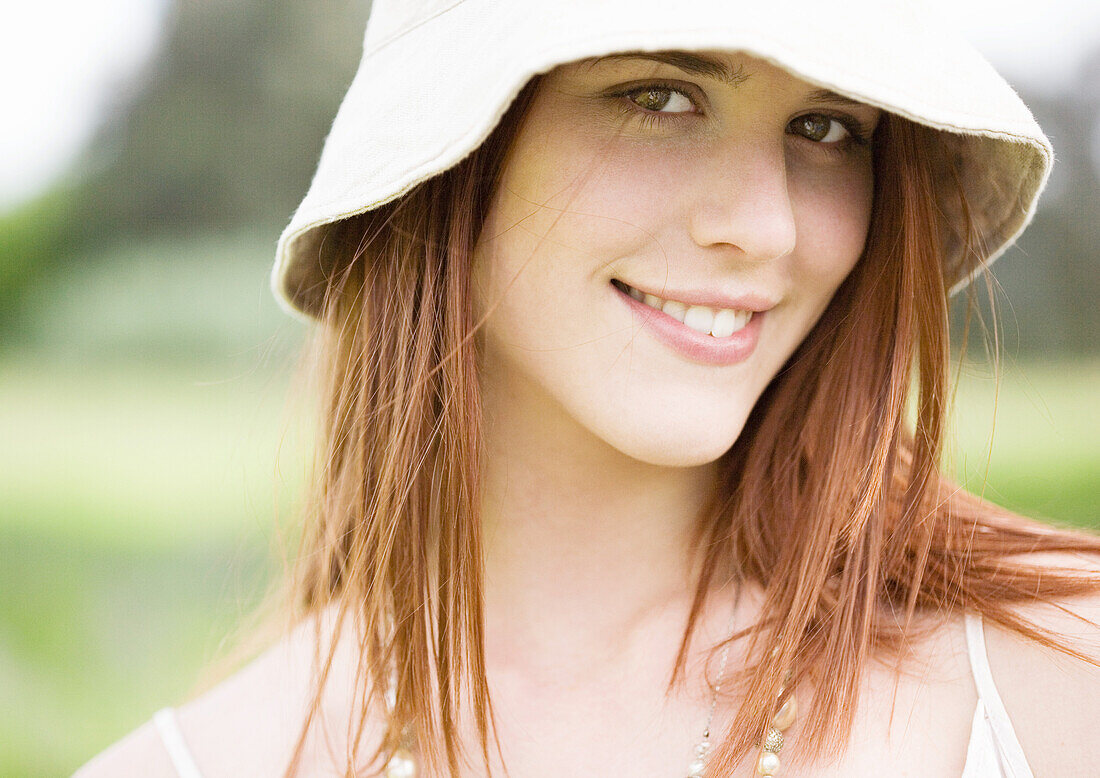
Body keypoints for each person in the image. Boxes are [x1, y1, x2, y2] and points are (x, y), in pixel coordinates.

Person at [76, 1, 1100, 776]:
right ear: (451, 159)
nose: (768, 226)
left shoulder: (1056, 677)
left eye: (829, 129)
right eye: (658, 96)